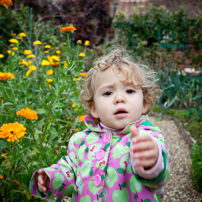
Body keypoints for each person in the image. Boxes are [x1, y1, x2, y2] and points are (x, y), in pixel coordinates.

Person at [30, 48, 171, 202]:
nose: (119, 98)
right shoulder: (80, 140)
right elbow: (70, 171)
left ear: (145, 103)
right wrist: (52, 178)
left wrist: (151, 161)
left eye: (129, 91)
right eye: (108, 93)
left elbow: (159, 177)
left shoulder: (148, 137)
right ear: (93, 108)